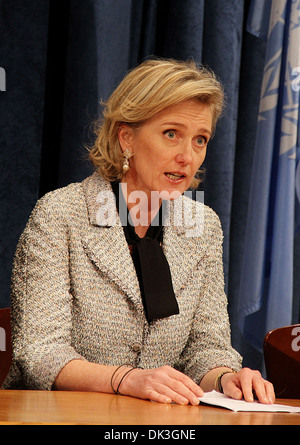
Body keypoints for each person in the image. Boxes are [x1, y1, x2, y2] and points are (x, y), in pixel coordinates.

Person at [3, 58, 275, 406]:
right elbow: (39, 353)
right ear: (127, 138)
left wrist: (226, 377)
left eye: (200, 140)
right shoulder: (60, 214)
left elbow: (205, 348)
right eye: (171, 134)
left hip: (159, 422)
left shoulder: (203, 225)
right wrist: (126, 380)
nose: (187, 156)